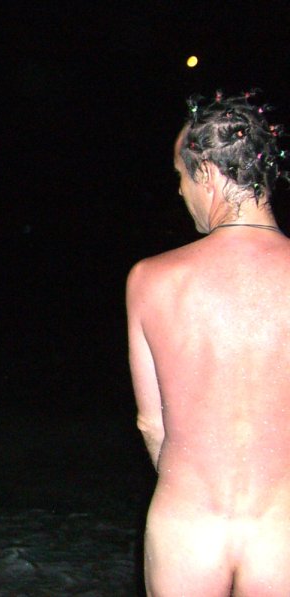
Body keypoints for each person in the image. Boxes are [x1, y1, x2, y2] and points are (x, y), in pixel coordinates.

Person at [127, 90, 290, 595]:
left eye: (181, 174)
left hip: (188, 526)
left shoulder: (152, 279)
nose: (180, 191)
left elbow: (152, 424)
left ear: (209, 175)